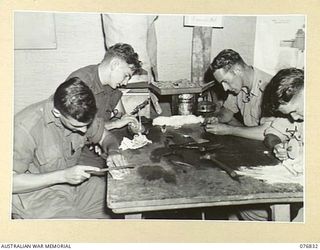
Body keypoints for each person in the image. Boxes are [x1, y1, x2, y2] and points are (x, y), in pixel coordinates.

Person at [12, 77, 126, 219]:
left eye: (87, 125)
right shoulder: (25, 127)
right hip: (34, 197)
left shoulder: (78, 113)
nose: (85, 131)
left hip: (71, 187)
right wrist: (63, 176)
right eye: (77, 126)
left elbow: (106, 137)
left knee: (119, 202)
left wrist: (113, 152)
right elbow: (8, 183)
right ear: (57, 113)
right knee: (80, 232)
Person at [236, 68, 304, 221]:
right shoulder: (295, 114)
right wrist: (277, 145)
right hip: (296, 186)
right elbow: (271, 134)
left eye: (295, 111)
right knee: (249, 209)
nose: (293, 118)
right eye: (289, 114)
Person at [66, 43, 143, 168]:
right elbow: (76, 129)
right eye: (126, 76)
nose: (125, 83)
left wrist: (130, 124)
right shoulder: (80, 82)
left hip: (99, 143)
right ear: (114, 65)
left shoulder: (110, 84)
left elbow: (120, 114)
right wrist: (114, 125)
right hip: (75, 151)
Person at [204, 49, 273, 140]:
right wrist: (217, 119)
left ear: (238, 70)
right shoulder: (238, 86)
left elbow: (268, 132)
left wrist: (230, 130)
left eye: (226, 81)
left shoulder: (270, 87)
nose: (225, 88)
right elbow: (227, 112)